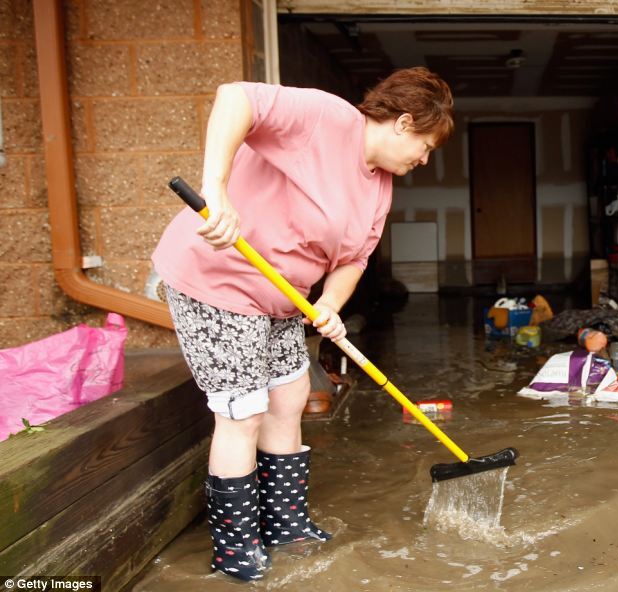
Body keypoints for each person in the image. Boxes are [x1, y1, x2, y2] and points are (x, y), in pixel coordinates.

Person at [151, 67, 453, 581]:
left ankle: (285, 524)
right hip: (219, 281)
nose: (423, 159)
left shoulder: (379, 188)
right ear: (403, 122)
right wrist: (216, 191)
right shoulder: (325, 118)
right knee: (243, 412)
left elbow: (353, 260)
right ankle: (235, 547)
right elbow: (235, 98)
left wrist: (331, 303)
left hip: (282, 300)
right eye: (425, 145)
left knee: (289, 398)